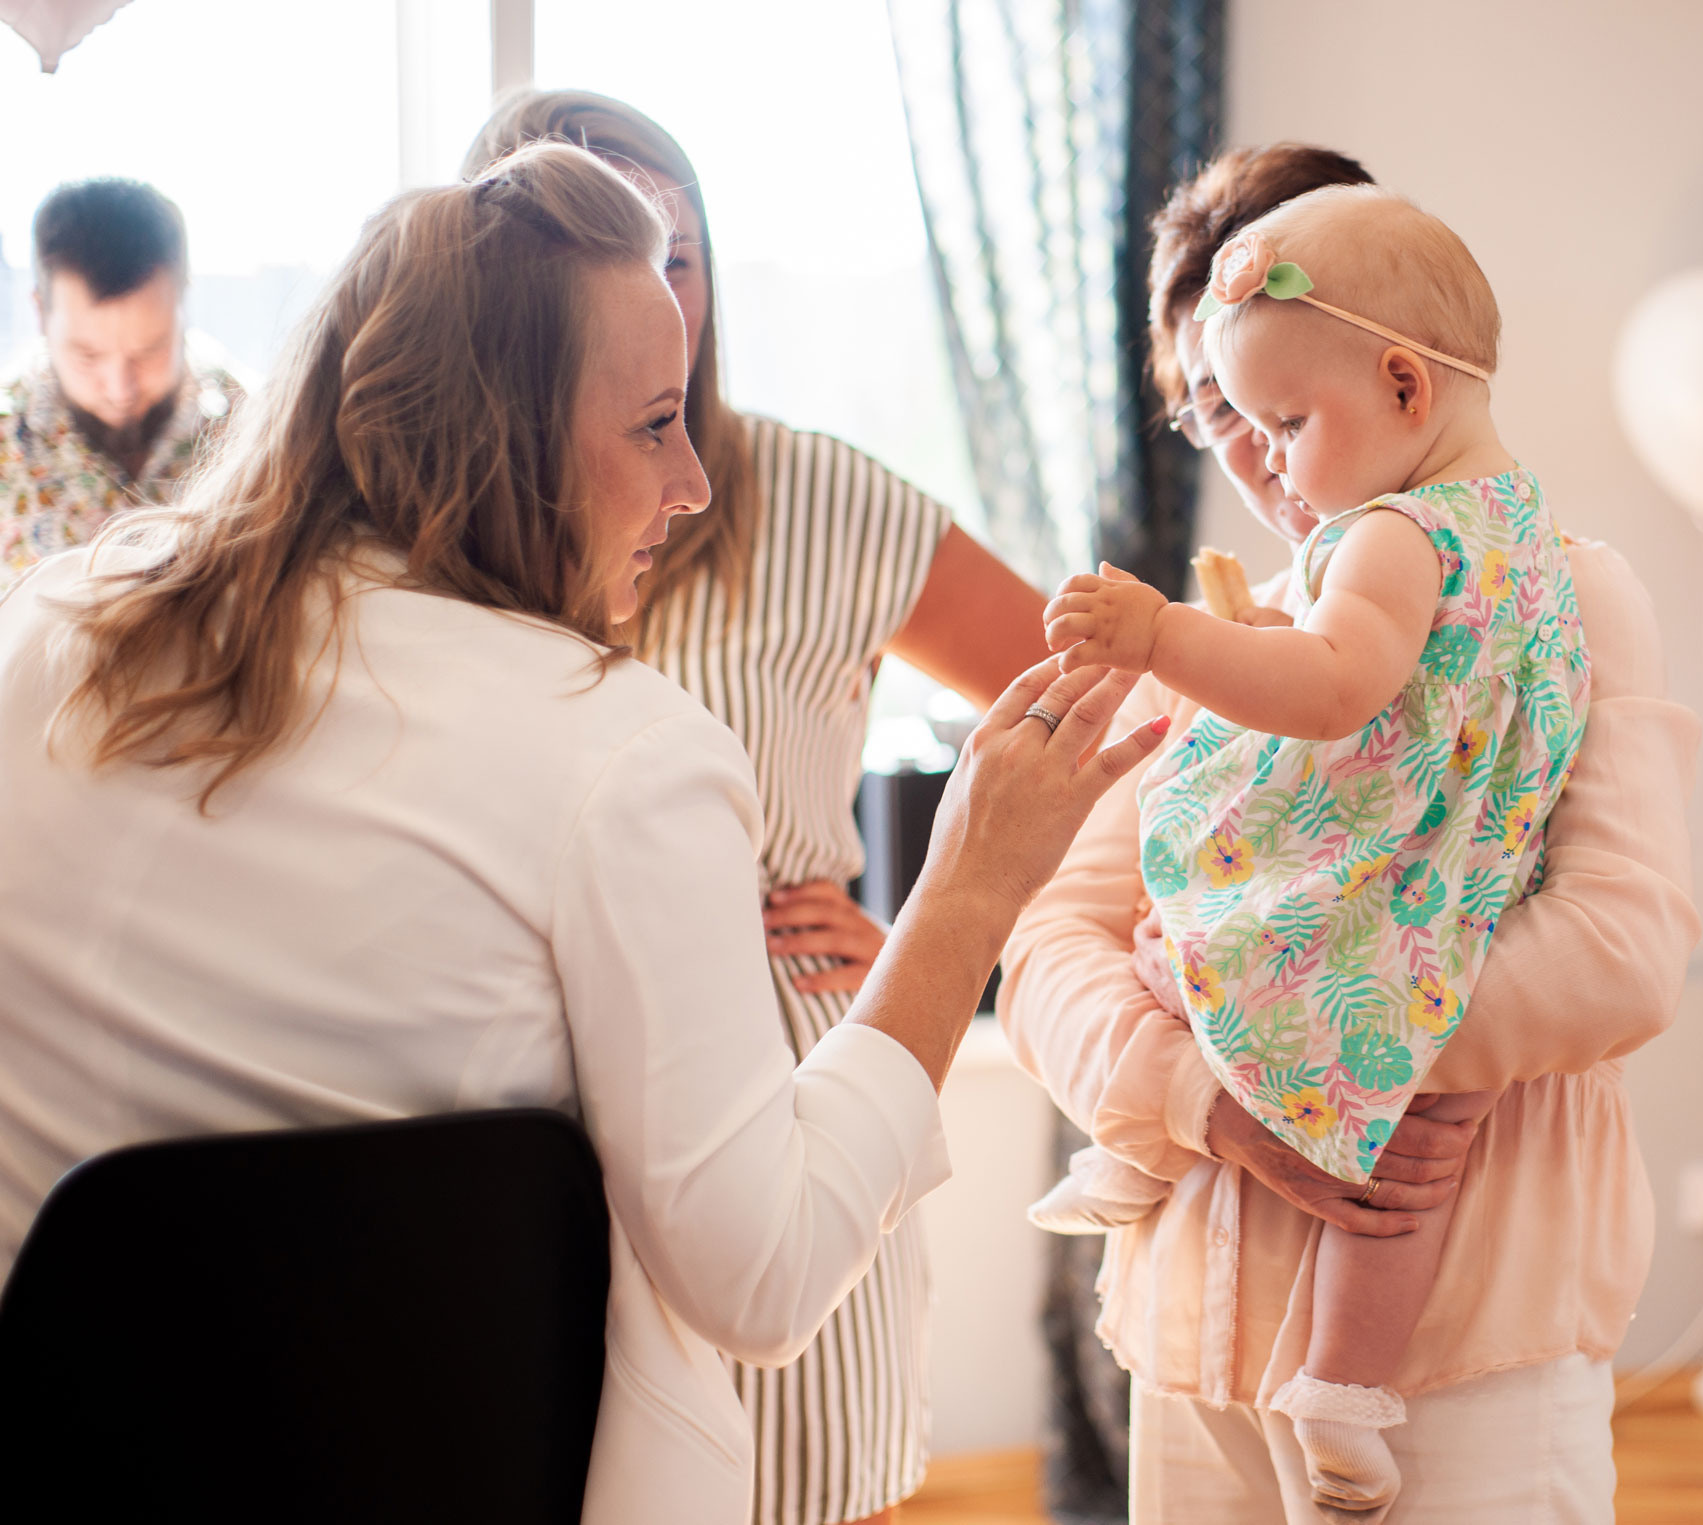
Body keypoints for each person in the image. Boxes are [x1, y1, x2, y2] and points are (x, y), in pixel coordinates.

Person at [0, 142, 1166, 1525]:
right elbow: (762, 1275)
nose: (692, 482)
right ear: (509, 438)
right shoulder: (621, 754)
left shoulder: (51, 629)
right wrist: (966, 892)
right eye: (654, 423)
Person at [996, 143, 1701, 1525]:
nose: (1256, 454)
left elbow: (1620, 950)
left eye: (1274, 406)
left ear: (1397, 378)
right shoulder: (1209, 648)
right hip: (1193, 1335)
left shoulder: (1555, 598)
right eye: (1213, 412)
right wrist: (1204, 1102)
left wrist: (1325, 1042)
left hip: (1466, 1337)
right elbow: (1051, 946)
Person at [460, 93, 1048, 1525]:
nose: (653, 290)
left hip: (785, 1079)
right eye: (599, 250)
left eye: (675, 250)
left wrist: (940, 939)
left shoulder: (814, 493)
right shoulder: (448, 524)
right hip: (525, 1083)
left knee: (809, 1483)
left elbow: (1077, 697)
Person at [2, 177, 241, 583]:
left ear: (183, 301)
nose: (120, 389)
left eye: (150, 351)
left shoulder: (257, 428)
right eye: (88, 356)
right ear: (40, 312)